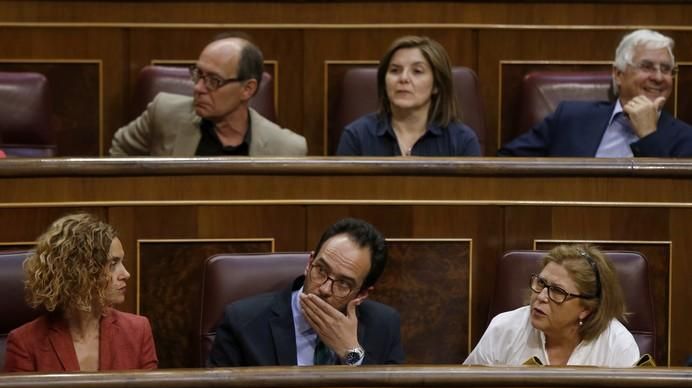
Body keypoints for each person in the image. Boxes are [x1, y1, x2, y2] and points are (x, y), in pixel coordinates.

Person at [209, 218, 405, 366]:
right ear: (310, 262)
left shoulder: (384, 325)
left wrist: (351, 354)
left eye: (343, 283)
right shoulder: (243, 322)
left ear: (361, 294)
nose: (324, 289)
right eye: (321, 270)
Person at [499, 29, 692, 157]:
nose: (659, 77)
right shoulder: (570, 118)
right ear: (618, 74)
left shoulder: (686, 139)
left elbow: (670, 199)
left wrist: (649, 135)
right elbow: (507, 163)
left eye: (666, 69)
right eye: (647, 66)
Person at [4, 213, 158, 372]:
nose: (126, 274)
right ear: (80, 272)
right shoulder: (25, 343)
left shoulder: (138, 331)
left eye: (121, 262)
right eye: (113, 264)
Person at [110, 35, 307, 157]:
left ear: (247, 89)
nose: (199, 87)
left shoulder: (287, 149)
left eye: (214, 80)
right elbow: (119, 154)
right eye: (199, 74)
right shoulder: (164, 113)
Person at [464, 244, 640, 367]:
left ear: (586, 309)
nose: (541, 297)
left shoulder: (617, 344)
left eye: (557, 291)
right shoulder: (503, 329)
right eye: (541, 283)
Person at [336, 35, 481, 156]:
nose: (403, 78)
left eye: (417, 71)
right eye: (395, 70)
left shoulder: (462, 140)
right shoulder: (356, 136)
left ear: (436, 85)